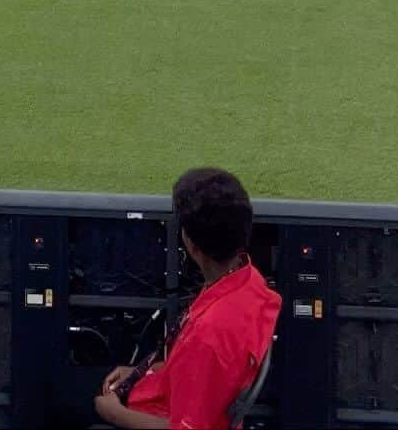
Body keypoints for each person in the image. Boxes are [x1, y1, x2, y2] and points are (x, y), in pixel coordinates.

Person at [95, 168, 281, 430]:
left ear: (192, 246)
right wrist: (141, 373)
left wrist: (112, 412)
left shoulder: (208, 336)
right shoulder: (249, 280)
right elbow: (197, 372)